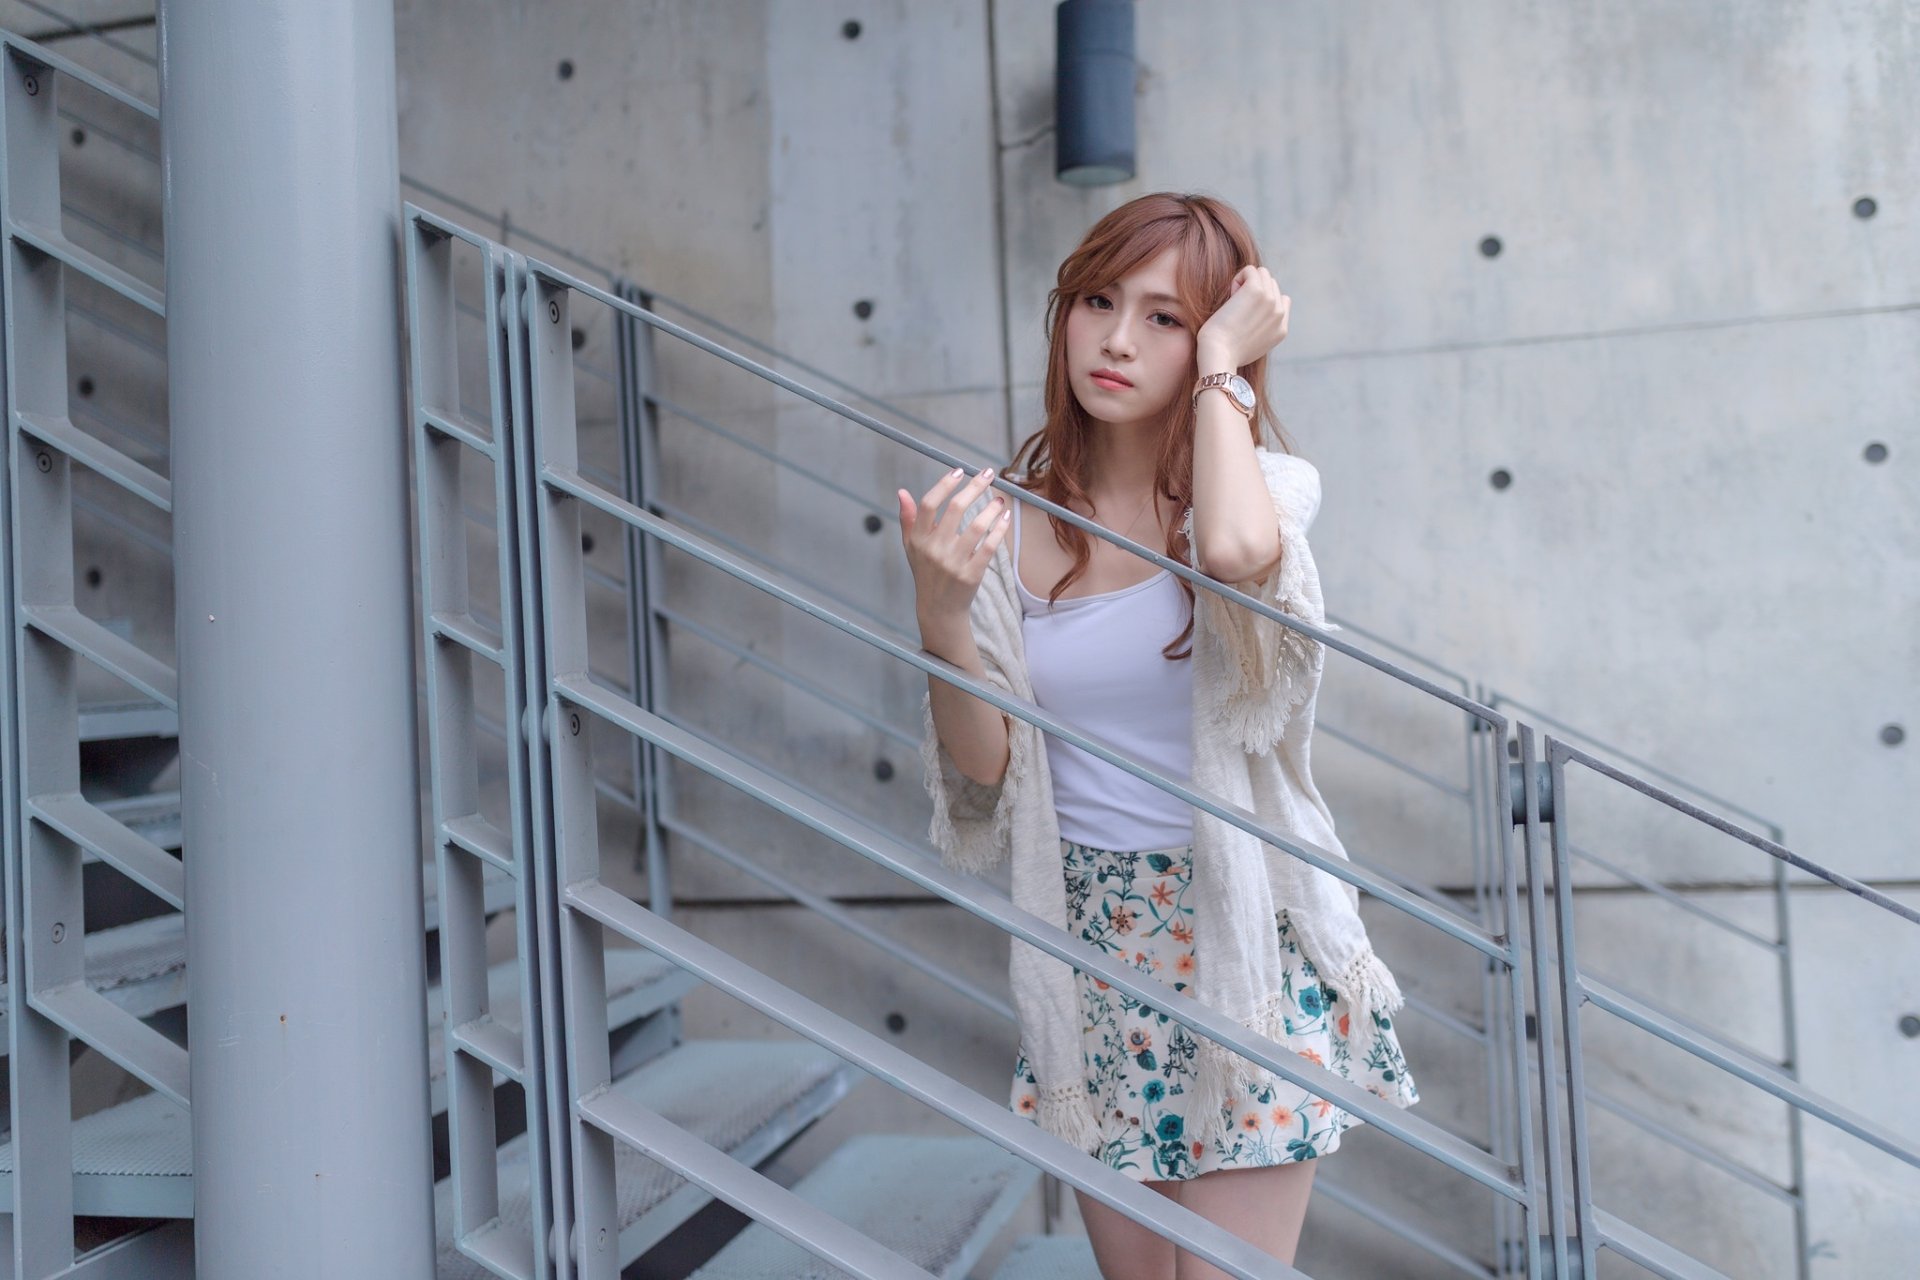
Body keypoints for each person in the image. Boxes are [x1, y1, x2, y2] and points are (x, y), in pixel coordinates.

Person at [899, 192, 1419, 1279]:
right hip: (1092, 946)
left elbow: (1234, 553)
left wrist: (1226, 364)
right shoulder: (1005, 524)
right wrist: (943, 612)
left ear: (1214, 338)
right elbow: (986, 770)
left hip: (1241, 939)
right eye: (1097, 301)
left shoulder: (1258, 491)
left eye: (1164, 317)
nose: (1119, 339)